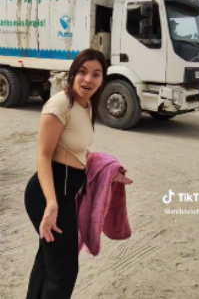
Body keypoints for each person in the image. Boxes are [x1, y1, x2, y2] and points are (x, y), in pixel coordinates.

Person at [24, 49, 132, 299]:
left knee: (49, 260)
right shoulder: (60, 104)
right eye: (82, 72)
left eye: (96, 74)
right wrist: (51, 205)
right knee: (64, 270)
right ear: (73, 73)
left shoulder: (87, 105)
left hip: (67, 189)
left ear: (103, 79)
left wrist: (106, 172)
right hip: (49, 191)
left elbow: (79, 150)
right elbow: (43, 155)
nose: (88, 80)